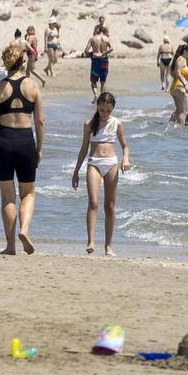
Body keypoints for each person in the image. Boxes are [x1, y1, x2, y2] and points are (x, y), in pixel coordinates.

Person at [0, 44, 45, 256]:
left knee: (8, 197)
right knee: (28, 193)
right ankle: (24, 230)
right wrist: (40, 149)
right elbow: (40, 121)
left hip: (3, 142)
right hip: (25, 141)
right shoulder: (33, 86)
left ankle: (10, 246)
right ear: (22, 62)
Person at [70, 92, 131, 256]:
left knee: (110, 206)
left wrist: (125, 159)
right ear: (97, 106)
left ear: (112, 109)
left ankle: (108, 246)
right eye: (102, 110)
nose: (105, 113)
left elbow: (125, 146)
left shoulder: (117, 123)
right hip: (94, 164)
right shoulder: (89, 123)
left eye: (108, 111)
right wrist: (76, 172)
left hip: (111, 164)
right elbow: (83, 149)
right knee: (94, 203)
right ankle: (90, 241)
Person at [84, 25, 112, 103]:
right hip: (104, 60)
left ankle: (96, 95)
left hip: (95, 61)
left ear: (97, 31)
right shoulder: (106, 38)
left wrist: (93, 54)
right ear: (103, 31)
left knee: (93, 81)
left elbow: (86, 51)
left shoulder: (92, 38)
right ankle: (102, 100)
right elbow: (111, 48)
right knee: (103, 82)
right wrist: (103, 53)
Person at [167, 44, 188, 124]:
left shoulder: (180, 59)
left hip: (176, 86)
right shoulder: (181, 59)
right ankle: (180, 131)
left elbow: (172, 72)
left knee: (178, 111)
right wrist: (185, 83)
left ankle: (170, 126)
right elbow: (177, 72)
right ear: (184, 51)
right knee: (184, 112)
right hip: (180, 87)